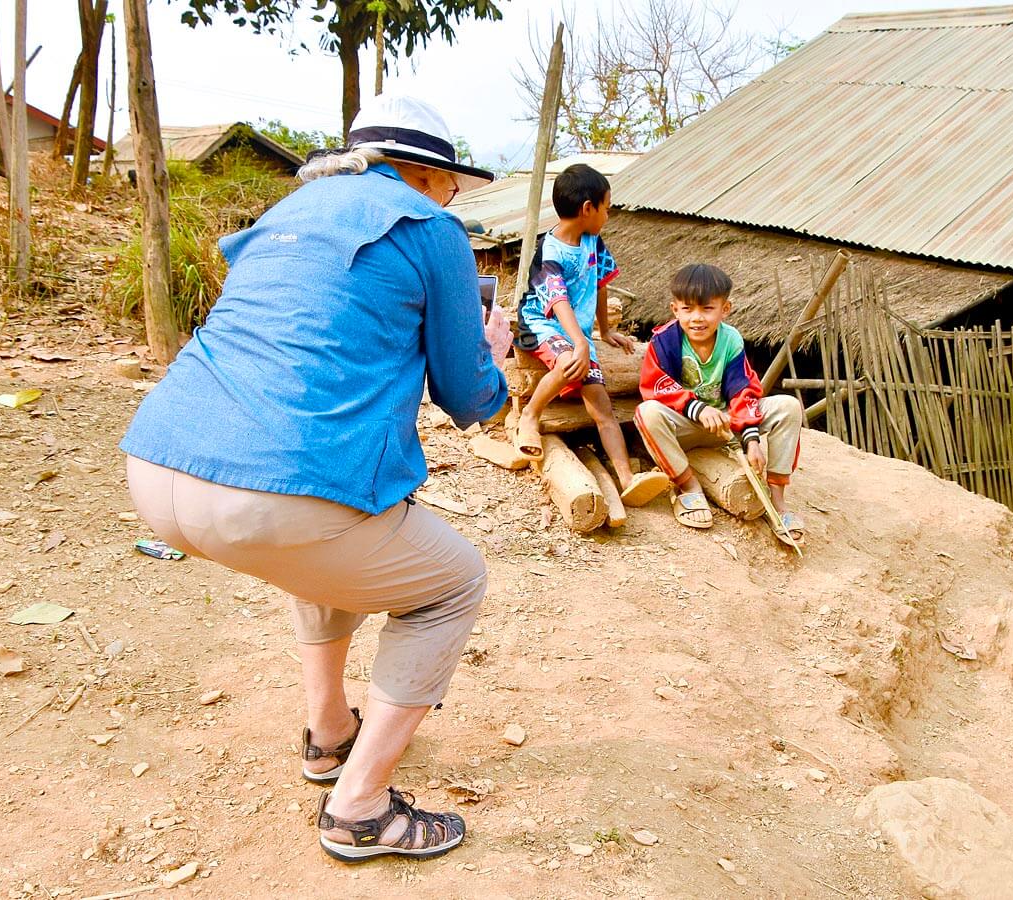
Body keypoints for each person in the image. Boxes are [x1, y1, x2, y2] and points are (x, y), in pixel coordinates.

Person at [120, 95, 514, 862]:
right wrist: (493, 355)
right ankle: (360, 809)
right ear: (426, 173)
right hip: (269, 493)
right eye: (452, 181)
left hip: (158, 464)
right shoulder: (430, 226)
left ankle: (330, 734)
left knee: (329, 544)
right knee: (452, 583)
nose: (454, 196)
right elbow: (469, 398)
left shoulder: (284, 214)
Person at [513, 163, 669, 507]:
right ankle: (531, 415)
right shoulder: (550, 251)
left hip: (577, 332)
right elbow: (558, 301)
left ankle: (627, 479)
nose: (608, 216)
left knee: (602, 406)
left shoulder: (593, 242)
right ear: (588, 209)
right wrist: (580, 343)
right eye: (607, 209)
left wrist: (604, 330)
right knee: (571, 362)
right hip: (542, 323)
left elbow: (600, 284)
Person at [634, 263, 804, 537]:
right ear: (675, 309)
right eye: (687, 309)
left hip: (727, 426)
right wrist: (697, 408)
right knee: (647, 412)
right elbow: (656, 386)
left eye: (707, 308)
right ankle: (688, 487)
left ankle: (778, 501)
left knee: (788, 406)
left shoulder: (731, 340)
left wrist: (751, 438)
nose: (697, 318)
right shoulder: (664, 341)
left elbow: (743, 389)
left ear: (725, 309)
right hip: (686, 428)